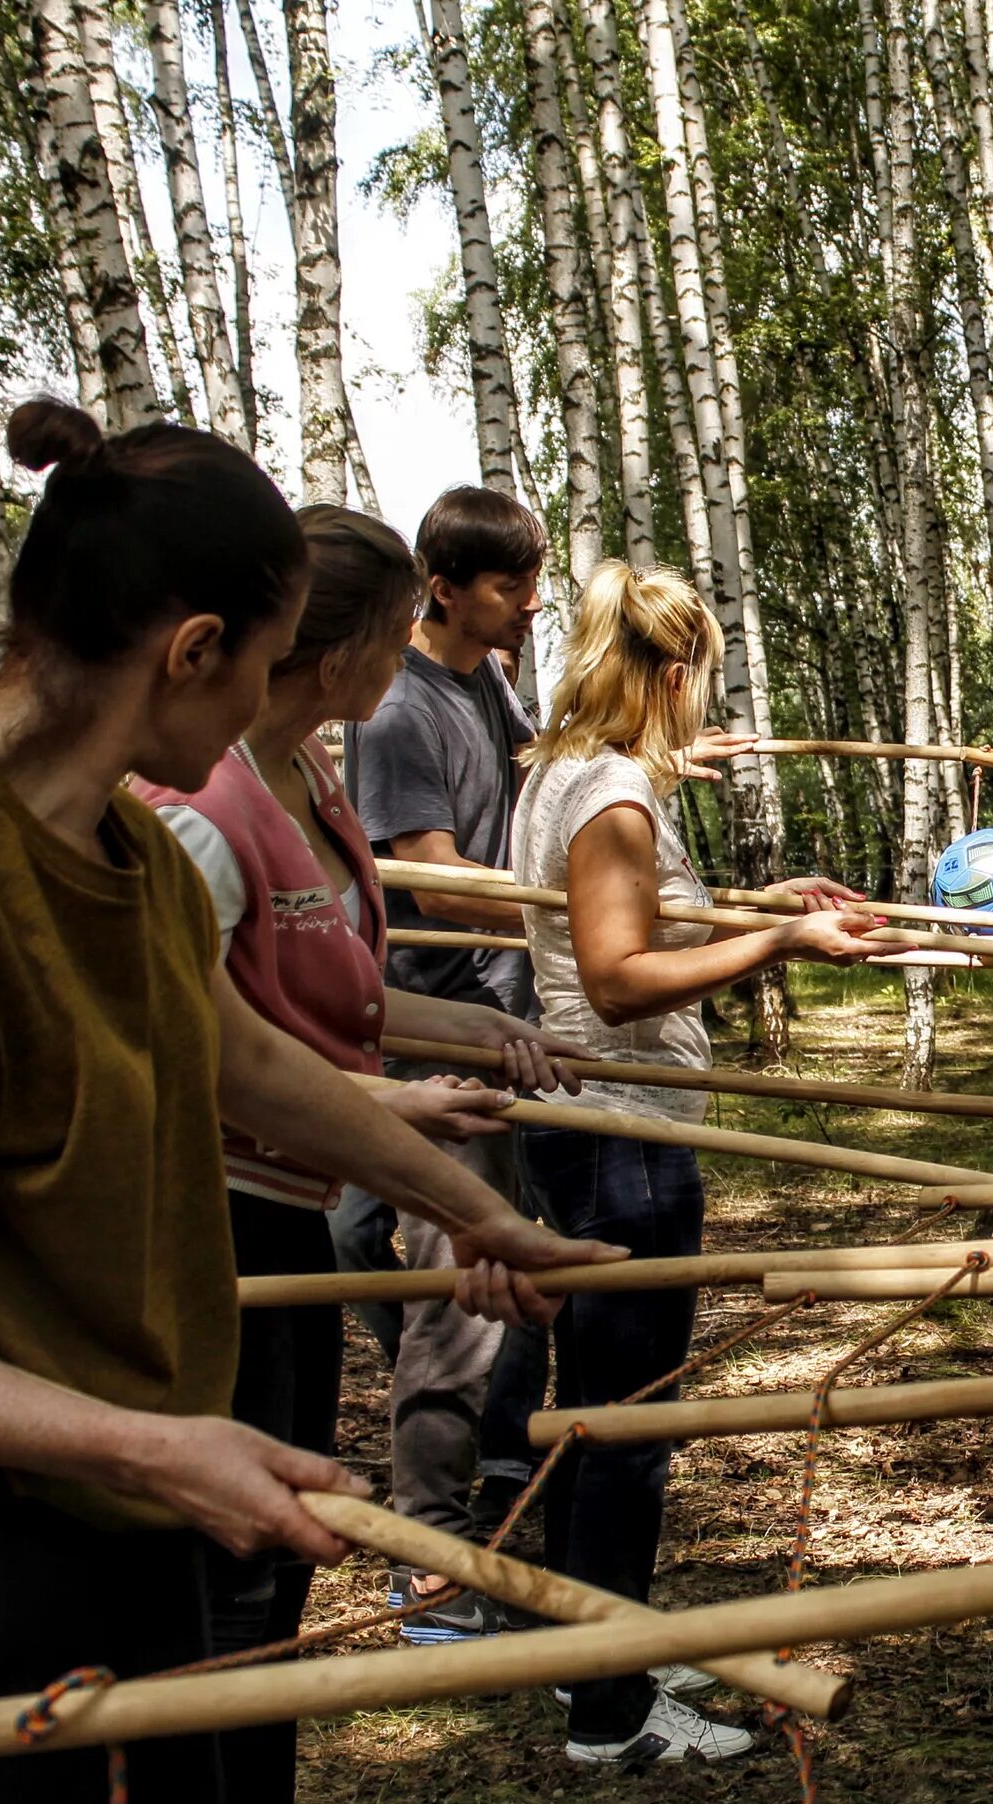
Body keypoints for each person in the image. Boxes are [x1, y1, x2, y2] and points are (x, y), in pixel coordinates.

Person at [0, 401, 618, 1804]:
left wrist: (473, 1212)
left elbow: (245, 1067)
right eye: (271, 670)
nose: (287, 720)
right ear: (194, 650)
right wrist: (164, 1443)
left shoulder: (119, 855)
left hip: (109, 1533)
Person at [136, 503, 593, 1804]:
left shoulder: (307, 782)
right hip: (211, 1239)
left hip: (280, 1231)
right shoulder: (204, 811)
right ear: (323, 650)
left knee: (261, 1584)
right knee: (221, 1595)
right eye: (390, 629)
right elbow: (202, 1060)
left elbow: (327, 996)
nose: (407, 654)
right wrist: (420, 1139)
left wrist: (468, 1034)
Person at [511, 560, 901, 1765]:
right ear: (672, 676)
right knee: (628, 1416)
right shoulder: (615, 792)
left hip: (593, 1126)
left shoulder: (559, 773)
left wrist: (745, 905)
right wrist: (780, 938)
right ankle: (609, 1711)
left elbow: (623, 929)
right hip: (623, 1126)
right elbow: (619, 977)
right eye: (699, 684)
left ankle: (594, 1647)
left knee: (592, 1408)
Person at [341, 485, 562, 1636]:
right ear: (445, 590)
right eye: (508, 585)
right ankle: (427, 1556)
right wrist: (579, 910)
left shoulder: (487, 676)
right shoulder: (396, 712)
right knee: (461, 1300)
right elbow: (432, 879)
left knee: (498, 1280)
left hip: (493, 1016)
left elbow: (531, 780)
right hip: (430, 1027)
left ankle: (493, 1489)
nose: (529, 603)